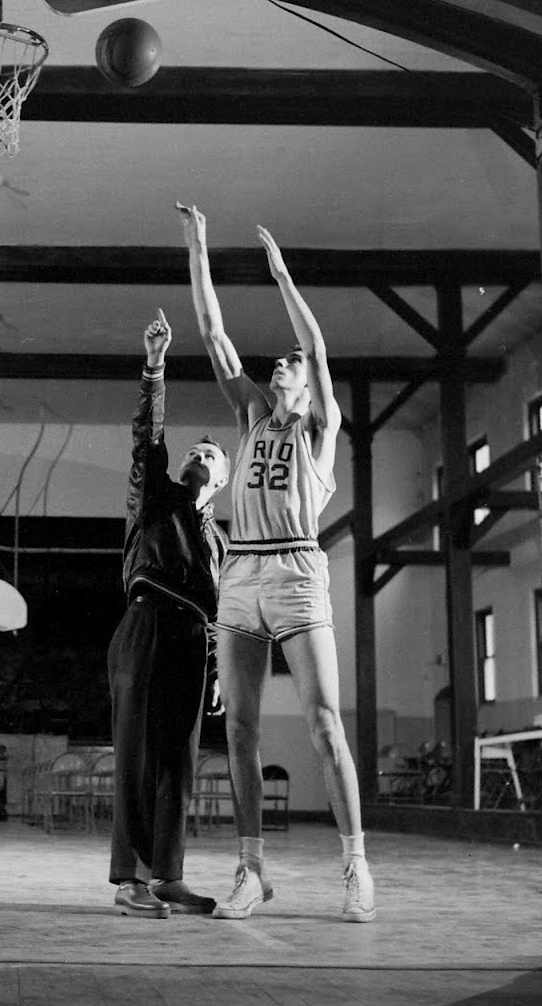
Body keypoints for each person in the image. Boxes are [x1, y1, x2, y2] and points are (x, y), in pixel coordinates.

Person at [180, 202, 376, 924]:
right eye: (281, 361)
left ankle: (356, 864)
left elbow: (318, 349)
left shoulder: (320, 428)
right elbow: (211, 333)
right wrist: (199, 251)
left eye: (287, 361)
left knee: (326, 723)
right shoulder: (252, 417)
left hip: (296, 572)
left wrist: (281, 271)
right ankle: (251, 870)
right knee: (238, 731)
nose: (282, 361)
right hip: (242, 577)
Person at [109, 307, 230, 918]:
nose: (199, 453)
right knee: (136, 754)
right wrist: (155, 369)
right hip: (146, 626)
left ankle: (168, 875)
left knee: (179, 764)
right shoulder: (154, 496)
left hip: (192, 645)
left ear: (222, 480)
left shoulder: (221, 543)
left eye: (211, 452)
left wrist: (220, 675)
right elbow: (147, 440)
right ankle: (130, 881)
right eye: (195, 448)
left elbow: (223, 615)